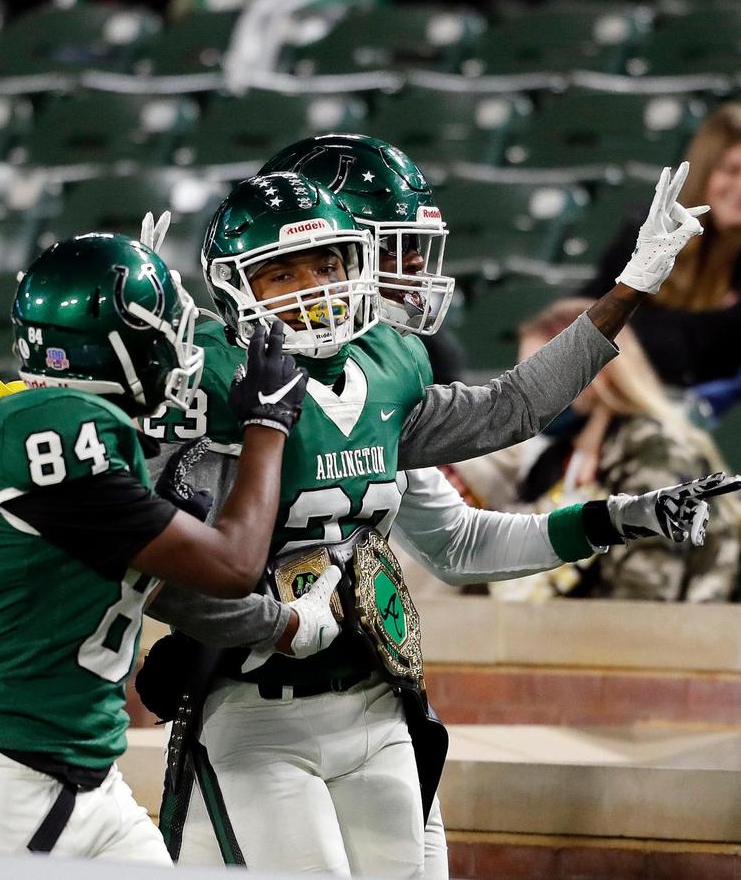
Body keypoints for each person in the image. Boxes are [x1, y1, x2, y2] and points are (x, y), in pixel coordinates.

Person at [139, 137, 719, 877]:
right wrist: (147, 357)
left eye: (329, 264)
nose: (410, 274)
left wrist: (630, 288)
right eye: (284, 271)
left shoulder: (387, 370)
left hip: (377, 700)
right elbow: (152, 559)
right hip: (252, 704)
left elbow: (501, 430)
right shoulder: (218, 381)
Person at [0, 233, 309, 860]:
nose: (179, 350)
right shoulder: (56, 429)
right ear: (113, 348)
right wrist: (267, 425)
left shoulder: (58, 425)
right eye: (162, 332)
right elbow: (233, 564)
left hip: (82, 770)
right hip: (8, 782)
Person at [450, 298, 741, 603]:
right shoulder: (554, 461)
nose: (529, 396)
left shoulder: (657, 449)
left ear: (594, 369)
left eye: (540, 379)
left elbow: (646, 594)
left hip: (668, 640)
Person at [582, 102, 741, 388]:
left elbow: (699, 358)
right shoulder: (650, 231)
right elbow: (587, 324)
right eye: (731, 170)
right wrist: (713, 324)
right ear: (704, 173)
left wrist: (639, 325)